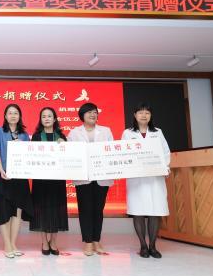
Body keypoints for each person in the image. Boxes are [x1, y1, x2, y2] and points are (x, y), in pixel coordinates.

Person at [121, 103, 171, 259]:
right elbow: (123, 153)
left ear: (151, 116)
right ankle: (143, 246)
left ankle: (153, 246)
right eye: (140, 112)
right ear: (135, 115)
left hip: (155, 177)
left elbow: (165, 152)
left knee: (156, 211)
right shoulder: (128, 133)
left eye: (147, 113)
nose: (144, 115)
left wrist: (165, 167)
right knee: (138, 211)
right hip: (137, 178)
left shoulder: (158, 132)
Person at [68, 102, 114, 256]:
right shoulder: (74, 133)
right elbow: (70, 153)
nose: (93, 114)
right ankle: (88, 242)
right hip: (83, 177)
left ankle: (96, 240)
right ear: (82, 115)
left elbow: (112, 151)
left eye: (95, 112)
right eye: (89, 112)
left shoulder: (106, 131)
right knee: (85, 209)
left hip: (101, 176)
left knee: (98, 210)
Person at [0, 104, 34, 258]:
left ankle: (13, 243)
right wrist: (1, 170)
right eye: (10, 113)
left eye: (16, 113)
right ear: (5, 116)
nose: (13, 115)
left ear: (19, 116)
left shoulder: (24, 135)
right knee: (4, 210)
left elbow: (28, 155)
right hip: (3, 175)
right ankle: (7, 244)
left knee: (17, 211)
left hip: (20, 177)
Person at [30, 107, 69, 256]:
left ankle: (53, 241)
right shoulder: (36, 137)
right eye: (44, 116)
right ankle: (44, 242)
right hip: (40, 180)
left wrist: (64, 145)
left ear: (54, 119)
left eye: (49, 116)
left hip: (57, 180)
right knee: (41, 210)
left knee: (56, 210)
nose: (46, 119)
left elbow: (68, 157)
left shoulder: (61, 136)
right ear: (41, 120)